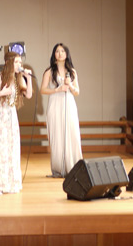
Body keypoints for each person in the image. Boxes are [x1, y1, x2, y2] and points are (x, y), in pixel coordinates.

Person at [0, 51, 33, 195]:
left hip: (11, 118)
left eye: (20, 62)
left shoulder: (18, 79)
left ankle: (8, 184)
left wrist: (28, 78)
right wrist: (1, 93)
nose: (19, 65)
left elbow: (28, 95)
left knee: (10, 149)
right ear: (9, 63)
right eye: (16, 62)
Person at [40, 43, 83, 178]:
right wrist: (57, 89)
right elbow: (43, 90)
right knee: (57, 136)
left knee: (72, 134)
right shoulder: (49, 71)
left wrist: (70, 85)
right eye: (57, 51)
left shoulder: (72, 72)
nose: (60, 53)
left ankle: (74, 168)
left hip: (69, 103)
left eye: (62, 51)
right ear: (54, 54)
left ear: (66, 54)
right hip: (55, 103)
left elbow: (77, 92)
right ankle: (59, 169)